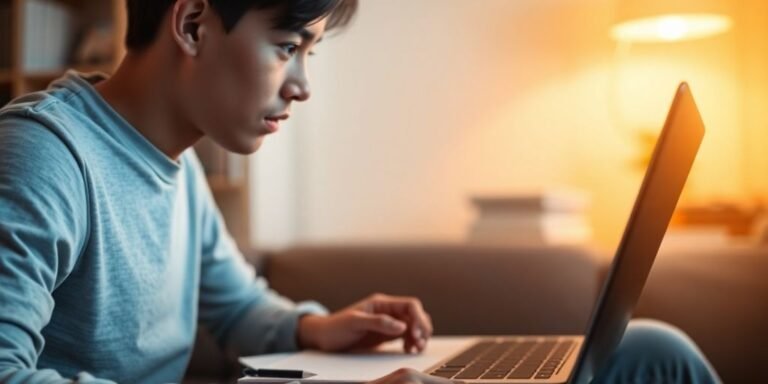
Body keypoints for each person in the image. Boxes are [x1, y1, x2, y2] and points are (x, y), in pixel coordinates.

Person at [0, 1, 722, 383]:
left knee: (652, 350)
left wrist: (317, 327)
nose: (303, 85)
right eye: (288, 48)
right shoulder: (44, 156)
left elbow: (240, 308)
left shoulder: (177, 168)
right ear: (193, 24)